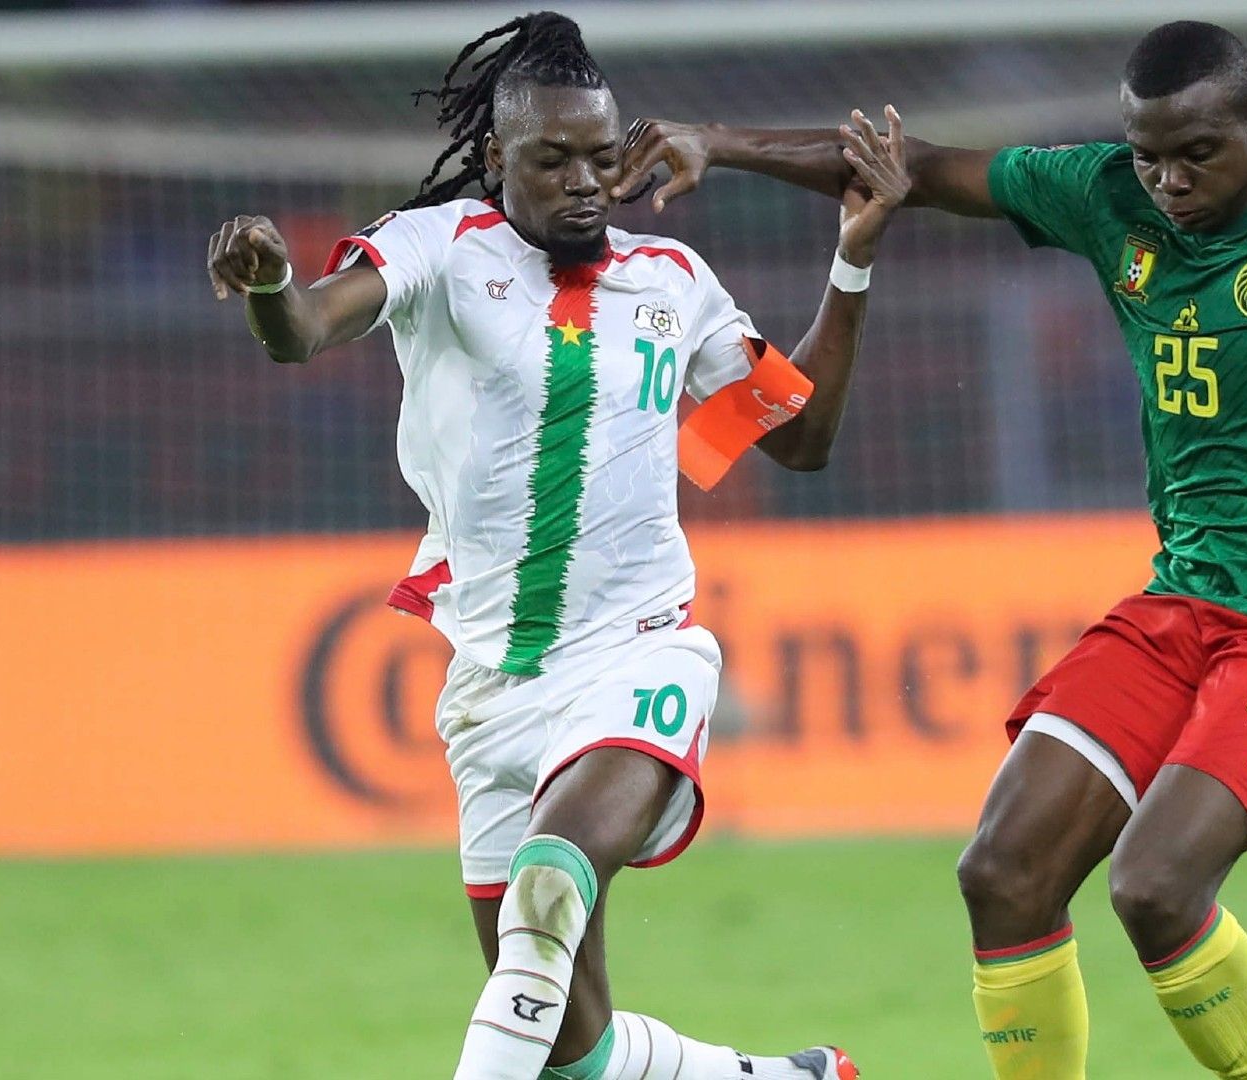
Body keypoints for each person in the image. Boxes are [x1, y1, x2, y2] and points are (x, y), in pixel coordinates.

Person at [616, 20, 1247, 1079]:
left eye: (1197, 153)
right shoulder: (1106, 191)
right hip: (1184, 606)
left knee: (1154, 885)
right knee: (1003, 869)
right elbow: (902, 170)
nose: (1167, 180)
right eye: (1149, 153)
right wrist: (713, 139)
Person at [203, 13, 895, 1080]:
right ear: (495, 160)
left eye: (600, 156)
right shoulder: (438, 248)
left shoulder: (670, 278)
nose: (585, 181)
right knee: (576, 1049)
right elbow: (304, 330)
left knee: (548, 887)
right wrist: (264, 288)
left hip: (637, 655)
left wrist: (848, 265)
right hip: (490, 689)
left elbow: (797, 440)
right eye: (553, 159)